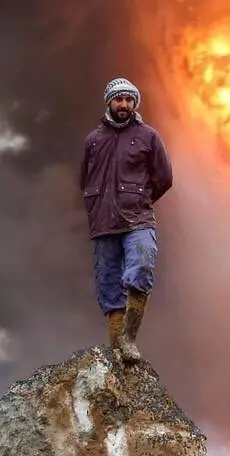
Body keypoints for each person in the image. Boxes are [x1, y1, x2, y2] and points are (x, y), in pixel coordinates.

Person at [79, 77, 173, 363]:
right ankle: (117, 350)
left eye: (129, 99)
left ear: (135, 103)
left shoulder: (148, 137)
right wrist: (97, 205)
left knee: (142, 267)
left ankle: (129, 339)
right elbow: (84, 179)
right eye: (119, 99)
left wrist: (139, 199)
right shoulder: (93, 140)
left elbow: (164, 178)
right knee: (109, 286)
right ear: (109, 101)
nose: (124, 104)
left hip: (138, 219)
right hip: (104, 222)